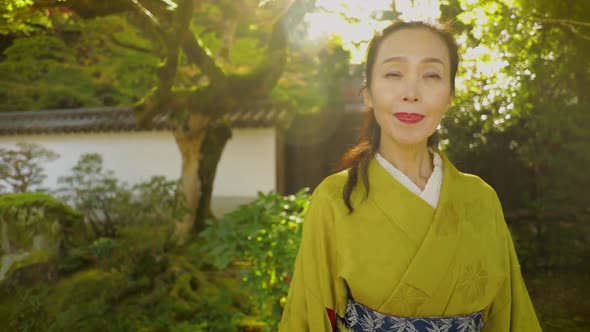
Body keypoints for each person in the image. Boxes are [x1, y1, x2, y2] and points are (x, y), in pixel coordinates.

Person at [278, 21, 542, 332]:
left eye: (431, 75)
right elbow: (309, 317)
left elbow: (510, 314)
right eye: (393, 74)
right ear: (368, 93)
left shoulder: (481, 198)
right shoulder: (335, 198)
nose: (411, 93)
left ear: (450, 96)